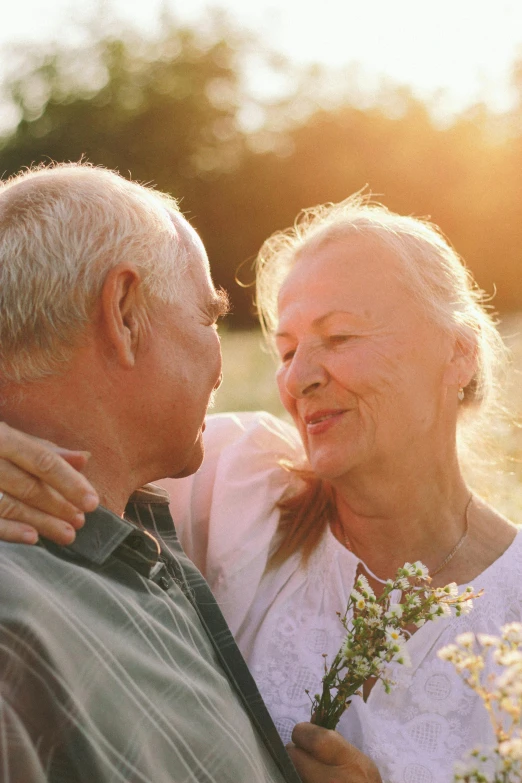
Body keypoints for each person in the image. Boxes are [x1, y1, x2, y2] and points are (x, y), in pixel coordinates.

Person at [0, 195, 519, 783]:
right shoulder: (233, 481)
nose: (299, 379)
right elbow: (64, 405)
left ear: (459, 352)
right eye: (288, 351)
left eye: (340, 337)